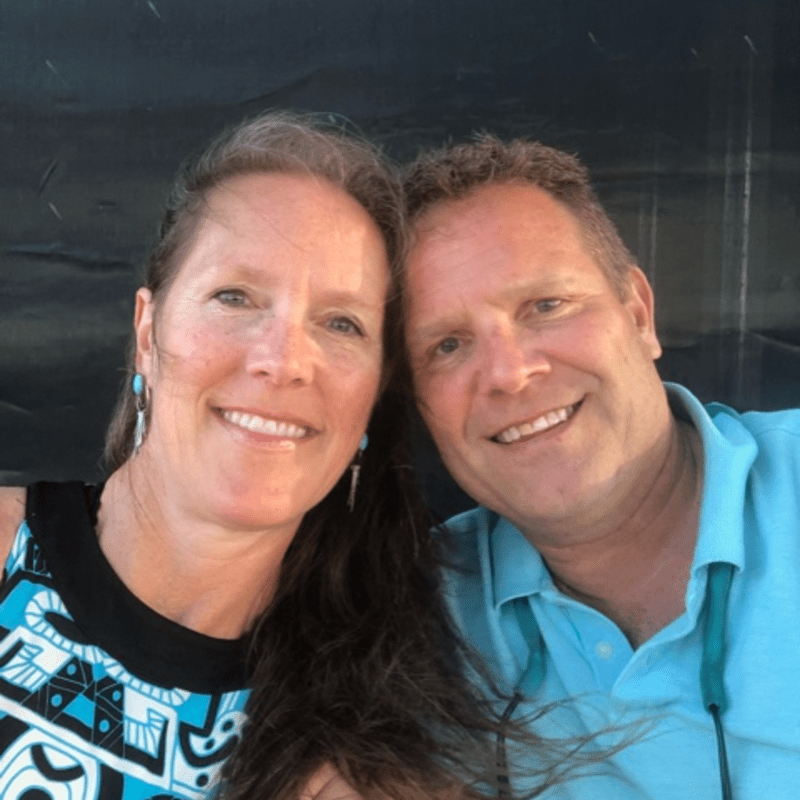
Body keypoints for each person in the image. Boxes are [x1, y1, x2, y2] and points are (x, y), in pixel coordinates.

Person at [0, 113, 530, 800]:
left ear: (374, 396)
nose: (283, 360)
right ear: (146, 332)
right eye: (235, 297)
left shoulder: (359, 776)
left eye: (341, 323)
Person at [401, 135, 800, 799]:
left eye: (546, 306)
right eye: (446, 345)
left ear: (639, 313)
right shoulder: (414, 616)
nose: (509, 372)